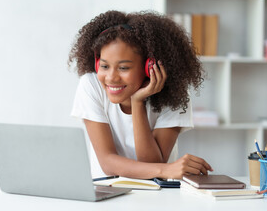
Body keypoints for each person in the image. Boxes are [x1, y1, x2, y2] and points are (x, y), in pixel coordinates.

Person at [68, 10, 213, 179]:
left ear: (148, 67)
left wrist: (138, 103)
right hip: (106, 193)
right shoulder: (91, 85)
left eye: (123, 68)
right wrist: (166, 170)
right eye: (105, 66)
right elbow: (108, 163)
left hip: (157, 196)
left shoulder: (175, 94)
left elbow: (152, 162)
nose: (111, 78)